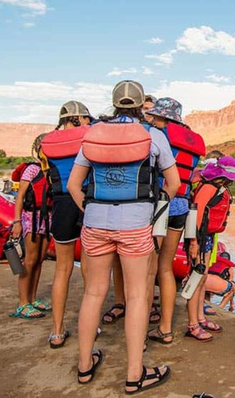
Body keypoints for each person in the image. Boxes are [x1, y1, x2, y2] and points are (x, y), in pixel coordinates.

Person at [68, 80, 178, 392]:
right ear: (142, 103)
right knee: (137, 297)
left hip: (95, 224)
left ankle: (85, 366)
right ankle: (134, 374)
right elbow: (174, 182)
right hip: (136, 226)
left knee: (93, 293)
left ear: (114, 103)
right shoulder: (153, 135)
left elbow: (75, 185)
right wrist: (154, 213)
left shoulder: (93, 134)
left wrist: (90, 209)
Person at [146, 97, 206, 345]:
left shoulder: (157, 134)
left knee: (149, 267)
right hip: (181, 206)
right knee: (166, 267)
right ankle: (166, 328)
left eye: (155, 116)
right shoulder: (191, 140)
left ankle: (145, 318)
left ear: (161, 116)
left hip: (159, 204)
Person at [102, 93, 159, 326]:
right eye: (143, 109)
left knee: (151, 258)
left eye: (150, 111)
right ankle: (120, 302)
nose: (146, 114)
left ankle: (148, 304)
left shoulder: (154, 136)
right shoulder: (113, 135)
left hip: (149, 206)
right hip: (117, 207)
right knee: (116, 258)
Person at [42, 101, 93, 348]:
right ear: (79, 118)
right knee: (88, 269)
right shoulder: (87, 137)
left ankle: (57, 330)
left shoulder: (47, 142)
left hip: (61, 205)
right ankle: (90, 324)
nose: (88, 123)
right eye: (86, 119)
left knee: (62, 269)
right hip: (85, 201)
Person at [185, 156, 235, 341]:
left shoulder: (217, 188)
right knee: (196, 280)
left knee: (202, 279)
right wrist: (194, 242)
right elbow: (196, 213)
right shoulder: (209, 188)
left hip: (207, 237)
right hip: (199, 238)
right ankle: (193, 324)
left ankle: (200, 318)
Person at [9, 134, 52, 319]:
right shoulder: (32, 170)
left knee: (40, 258)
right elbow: (20, 196)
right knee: (30, 260)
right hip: (30, 217)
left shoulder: (51, 170)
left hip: (47, 217)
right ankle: (22, 303)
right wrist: (17, 221)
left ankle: (33, 299)